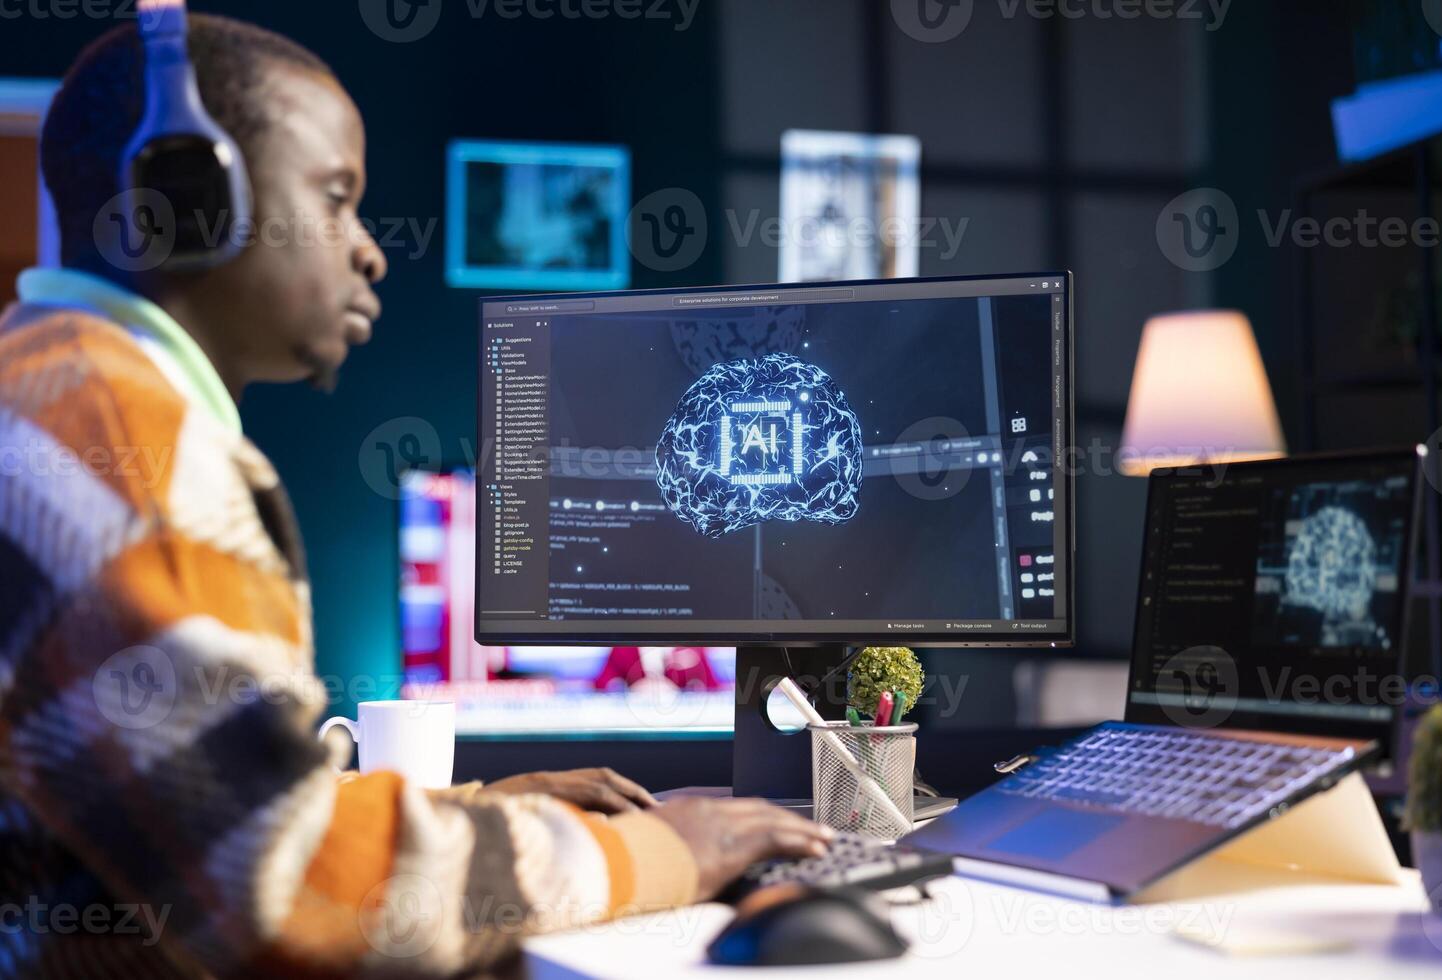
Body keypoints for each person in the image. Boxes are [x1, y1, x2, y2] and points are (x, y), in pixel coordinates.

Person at [0, 14, 830, 978]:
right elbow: (291, 884)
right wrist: (665, 852)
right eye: (337, 197)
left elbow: (210, 817)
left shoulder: (49, 389)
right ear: (190, 201)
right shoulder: (123, 443)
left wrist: (476, 819)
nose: (371, 251)